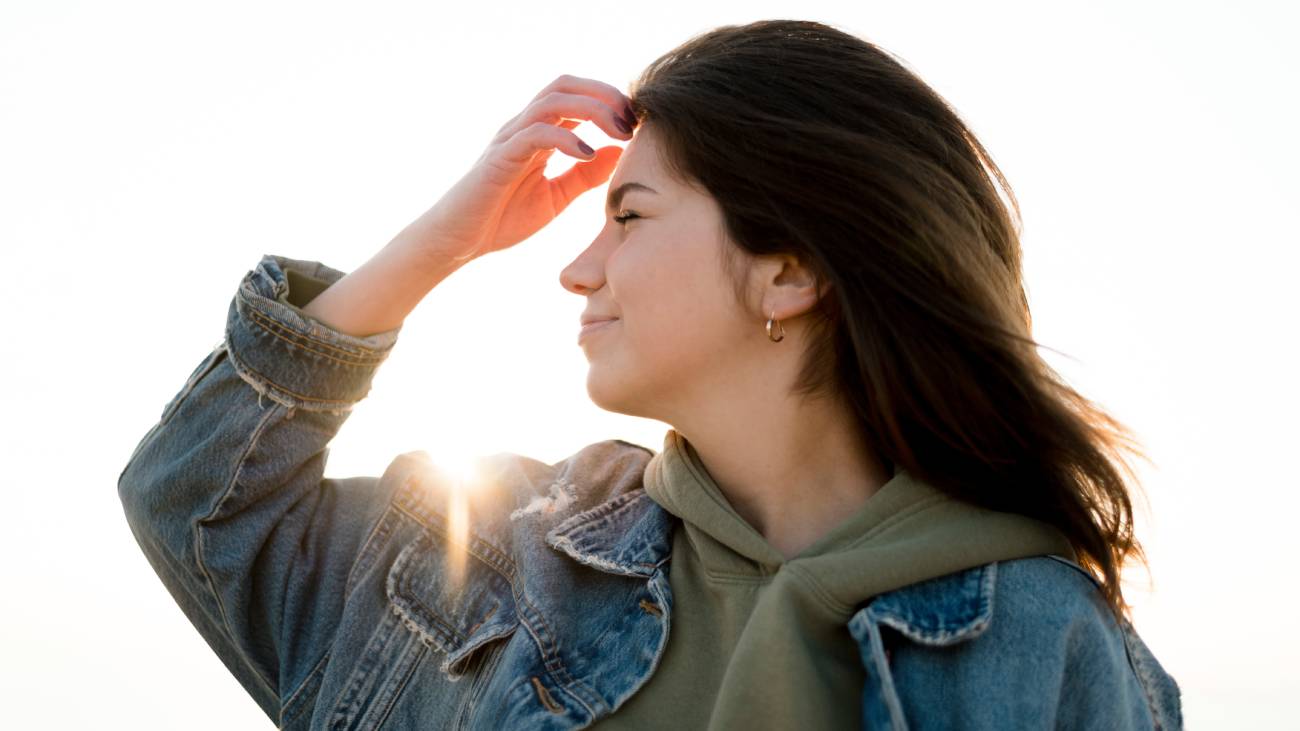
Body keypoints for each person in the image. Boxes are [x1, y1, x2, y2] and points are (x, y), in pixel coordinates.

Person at [118, 18, 1183, 730]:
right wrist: (442, 240)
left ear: (792, 270)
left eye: (627, 216)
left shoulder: (1050, 645)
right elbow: (196, 501)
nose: (578, 268)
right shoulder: (499, 557)